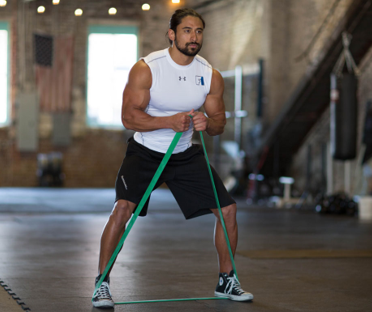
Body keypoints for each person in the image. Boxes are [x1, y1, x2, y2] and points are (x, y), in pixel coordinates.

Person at [92, 8, 254, 309]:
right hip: (145, 152)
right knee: (122, 209)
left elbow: (219, 125)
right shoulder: (147, 68)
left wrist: (208, 123)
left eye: (199, 31)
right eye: (187, 30)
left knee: (228, 210)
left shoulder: (209, 75)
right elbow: (129, 117)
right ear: (172, 34)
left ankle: (226, 279)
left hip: (184, 154)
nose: (194, 37)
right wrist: (168, 122)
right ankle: (102, 283)